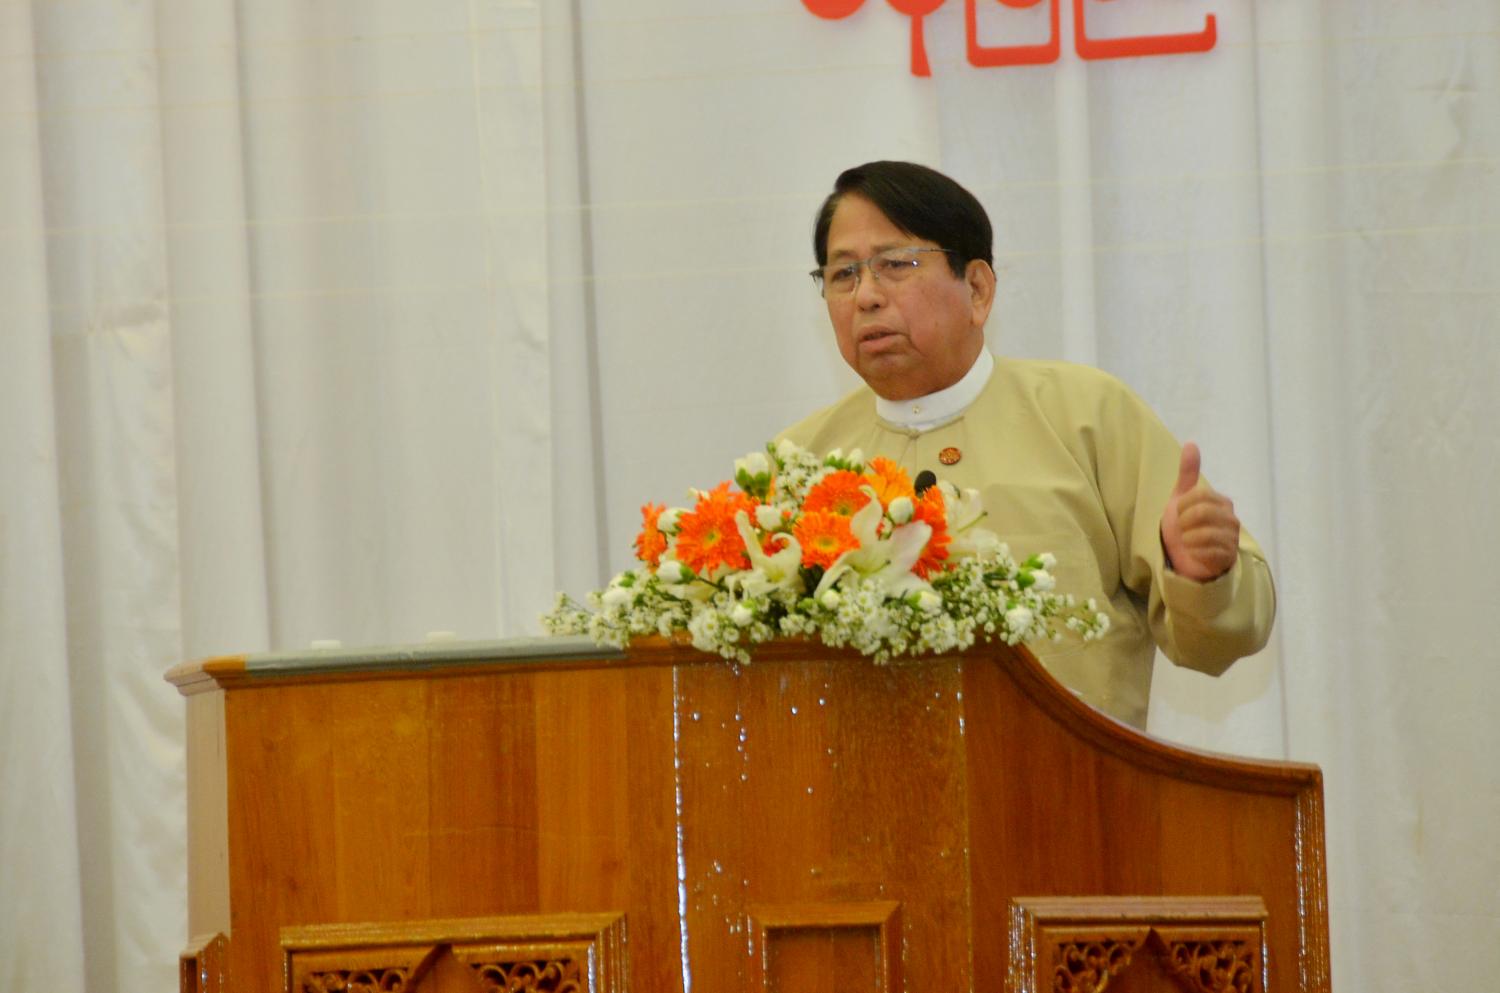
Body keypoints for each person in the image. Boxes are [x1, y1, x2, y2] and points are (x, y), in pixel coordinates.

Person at [779, 161, 1275, 729]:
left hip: (1068, 777)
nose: (866, 295)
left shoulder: (1085, 416)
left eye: (896, 264)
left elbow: (1222, 641)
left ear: (977, 289)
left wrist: (1204, 577)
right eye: (843, 274)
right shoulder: (799, 462)